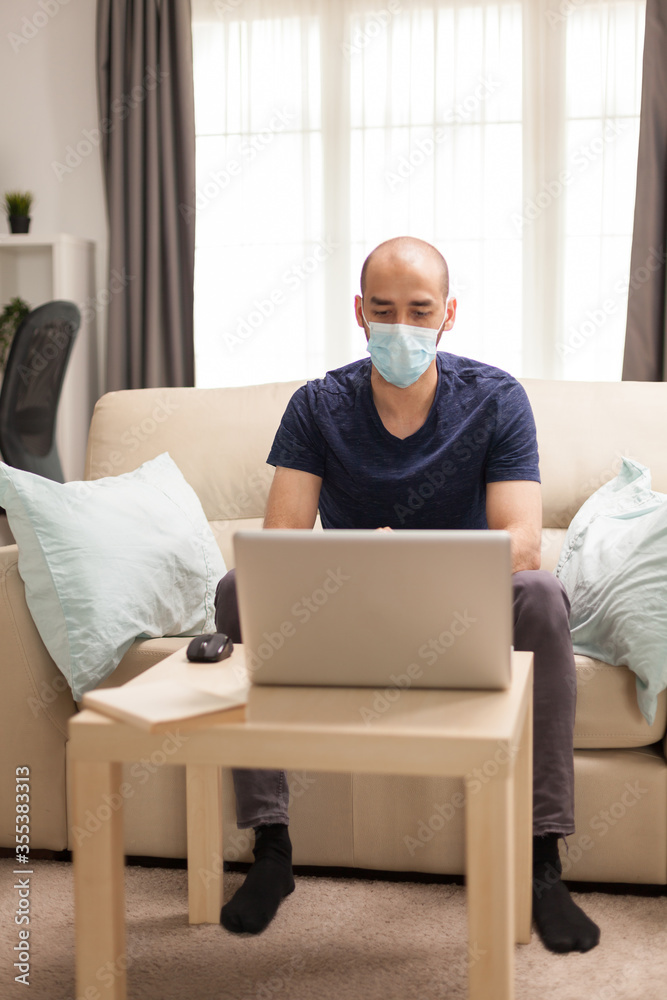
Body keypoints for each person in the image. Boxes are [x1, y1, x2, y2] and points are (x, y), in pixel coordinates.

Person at [214, 236, 601, 954]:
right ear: (358, 313)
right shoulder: (316, 406)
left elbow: (522, 543)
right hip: (345, 610)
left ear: (448, 314)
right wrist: (366, 560)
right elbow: (278, 544)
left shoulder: (494, 398)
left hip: (466, 612)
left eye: (418, 311)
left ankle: (543, 865)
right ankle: (271, 849)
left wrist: (415, 557)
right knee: (238, 590)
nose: (400, 326)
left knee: (543, 597)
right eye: (383, 310)